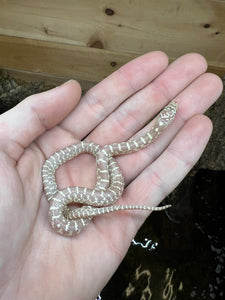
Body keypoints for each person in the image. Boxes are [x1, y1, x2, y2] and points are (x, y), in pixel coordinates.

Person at [0, 51, 223, 299]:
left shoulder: (106, 161)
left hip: (78, 196)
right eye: (167, 112)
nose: (168, 112)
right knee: (101, 171)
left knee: (103, 170)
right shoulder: (100, 165)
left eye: (167, 114)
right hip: (73, 200)